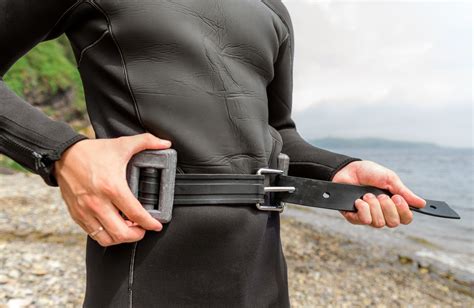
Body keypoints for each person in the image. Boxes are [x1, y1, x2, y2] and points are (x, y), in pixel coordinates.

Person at [0, 0, 425, 306]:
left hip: (262, 271)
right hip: (146, 263)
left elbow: (277, 131)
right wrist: (63, 151)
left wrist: (340, 168)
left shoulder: (272, 8)